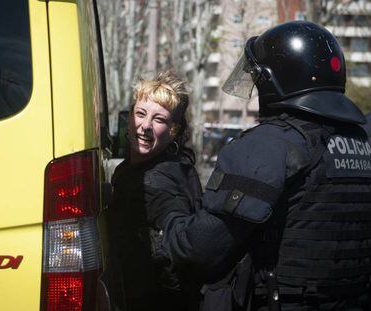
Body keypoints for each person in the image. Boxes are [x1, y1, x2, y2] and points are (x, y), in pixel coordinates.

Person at [148, 21, 371, 311]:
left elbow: (202, 248)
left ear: (277, 82)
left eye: (259, 81)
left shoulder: (270, 145)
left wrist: (169, 216)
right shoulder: (362, 140)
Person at [106, 71, 203, 311]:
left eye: (159, 119)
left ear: (174, 131)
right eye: (140, 113)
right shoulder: (137, 168)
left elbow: (174, 261)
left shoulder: (158, 182)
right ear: (129, 118)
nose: (146, 126)